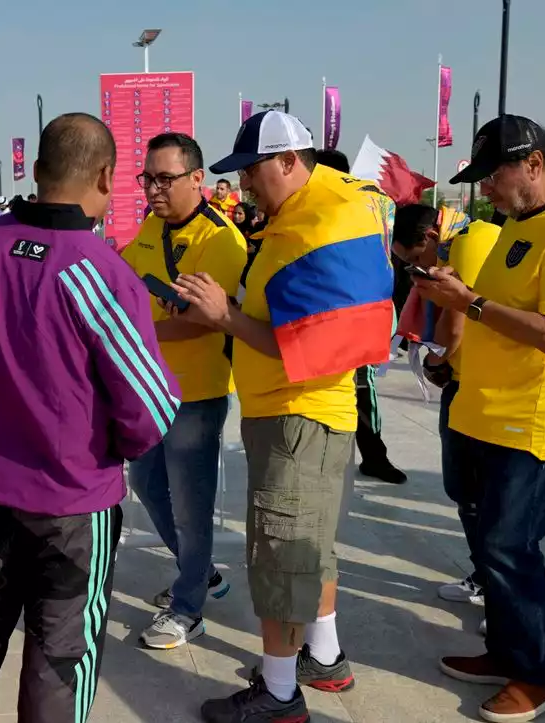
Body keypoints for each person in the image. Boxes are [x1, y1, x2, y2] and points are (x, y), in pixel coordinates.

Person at [0, 112, 177, 722]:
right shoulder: (101, 273)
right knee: (60, 666)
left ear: (35, 173)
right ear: (108, 177)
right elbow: (150, 409)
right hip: (73, 510)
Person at [174, 111, 395, 722]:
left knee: (279, 556)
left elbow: (304, 344)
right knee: (309, 550)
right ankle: (322, 658)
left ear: (289, 161)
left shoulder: (320, 223)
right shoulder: (307, 212)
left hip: (299, 418)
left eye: (251, 173)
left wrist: (224, 316)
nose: (243, 186)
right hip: (300, 417)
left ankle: (278, 696)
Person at [417, 115, 545, 723]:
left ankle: (540, 674)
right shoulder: (514, 225)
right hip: (481, 409)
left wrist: (468, 301)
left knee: (510, 547)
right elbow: (493, 317)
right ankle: (505, 650)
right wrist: (455, 342)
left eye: (493, 174)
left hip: (534, 420)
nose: (485, 189)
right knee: (489, 546)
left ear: (534, 163)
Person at [119, 132, 245, 650]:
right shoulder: (151, 227)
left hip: (195, 393)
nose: (153, 188)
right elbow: (127, 279)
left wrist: (130, 331)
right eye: (147, 178)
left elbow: (204, 321)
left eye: (165, 179)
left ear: (198, 180)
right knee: (147, 485)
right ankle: (199, 573)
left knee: (193, 506)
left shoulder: (221, 241)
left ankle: (189, 605)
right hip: (149, 386)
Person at [393, 204, 502, 612]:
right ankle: (488, 577)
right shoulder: (475, 237)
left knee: (474, 493)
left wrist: (436, 362)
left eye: (413, 261)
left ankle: (498, 591)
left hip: (472, 384)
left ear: (428, 240)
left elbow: (457, 323)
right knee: (475, 491)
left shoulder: (464, 248)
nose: (417, 272)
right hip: (479, 381)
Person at [313, 147, 407, 484]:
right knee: (350, 385)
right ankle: (367, 456)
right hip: (359, 304)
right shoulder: (374, 202)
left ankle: (374, 456)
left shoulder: (351, 204)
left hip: (355, 307)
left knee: (360, 384)